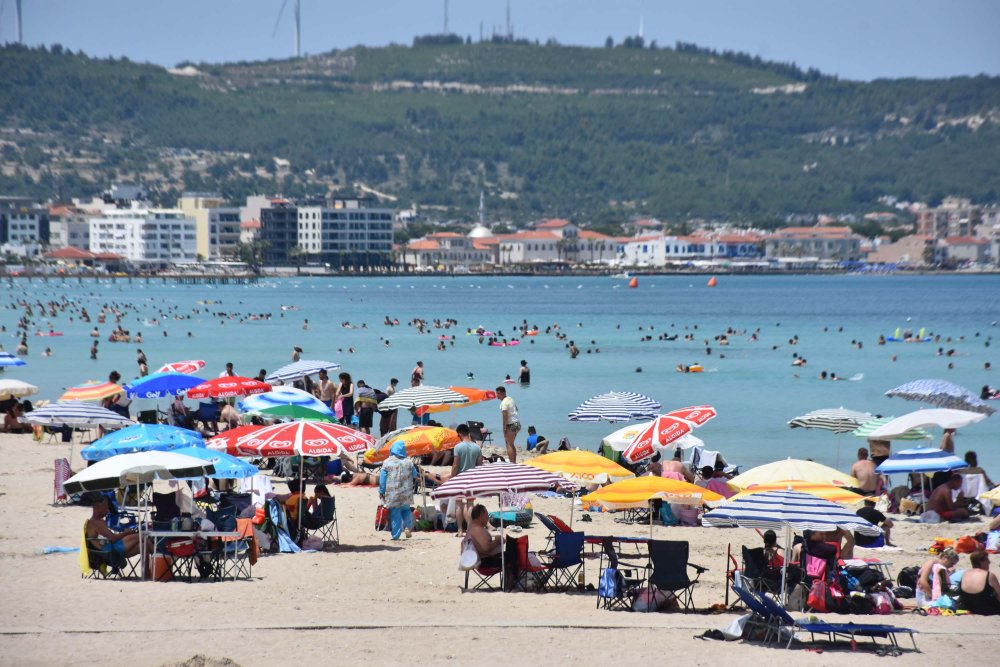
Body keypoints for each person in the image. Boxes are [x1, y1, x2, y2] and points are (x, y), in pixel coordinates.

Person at [84, 492, 143, 563]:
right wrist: (126, 533)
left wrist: (126, 533)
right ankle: (158, 560)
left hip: (106, 551)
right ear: (97, 507)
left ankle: (149, 572)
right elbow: (113, 538)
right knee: (141, 536)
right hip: (110, 552)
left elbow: (109, 538)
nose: (108, 510)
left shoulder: (94, 521)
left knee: (144, 546)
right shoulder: (97, 522)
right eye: (106, 507)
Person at [379, 441, 418, 540]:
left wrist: (381, 491)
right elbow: (415, 474)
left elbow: (382, 479)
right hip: (406, 492)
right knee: (406, 510)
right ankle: (407, 527)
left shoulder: (387, 462)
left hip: (393, 493)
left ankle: (396, 535)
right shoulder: (408, 462)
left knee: (395, 513)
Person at [451, 424, 484, 536]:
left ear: (459, 433)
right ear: (468, 433)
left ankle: (460, 530)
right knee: (470, 504)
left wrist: (452, 478)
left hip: (460, 478)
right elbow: (480, 465)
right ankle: (470, 530)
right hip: (472, 478)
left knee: (459, 504)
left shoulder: (458, 447)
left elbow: (455, 465)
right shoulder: (477, 447)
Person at [959, 551, 1000, 615]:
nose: (989, 562)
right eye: (987, 560)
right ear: (981, 562)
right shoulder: (989, 575)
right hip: (985, 609)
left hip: (967, 608)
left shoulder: (965, 573)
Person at [466, 504, 503, 568]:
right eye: (486, 515)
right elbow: (486, 548)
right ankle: (513, 577)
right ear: (481, 515)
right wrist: (497, 540)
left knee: (512, 551)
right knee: (514, 556)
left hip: (484, 560)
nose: (488, 518)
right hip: (486, 563)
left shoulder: (473, 527)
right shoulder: (477, 529)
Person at [495, 385, 520, 463]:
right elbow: (516, 408)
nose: (497, 395)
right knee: (511, 444)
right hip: (517, 423)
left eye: (498, 393)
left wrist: (504, 428)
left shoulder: (504, 403)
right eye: (497, 393)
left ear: (503, 393)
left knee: (508, 444)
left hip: (511, 424)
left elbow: (505, 415)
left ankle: (512, 463)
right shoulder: (510, 399)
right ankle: (514, 462)